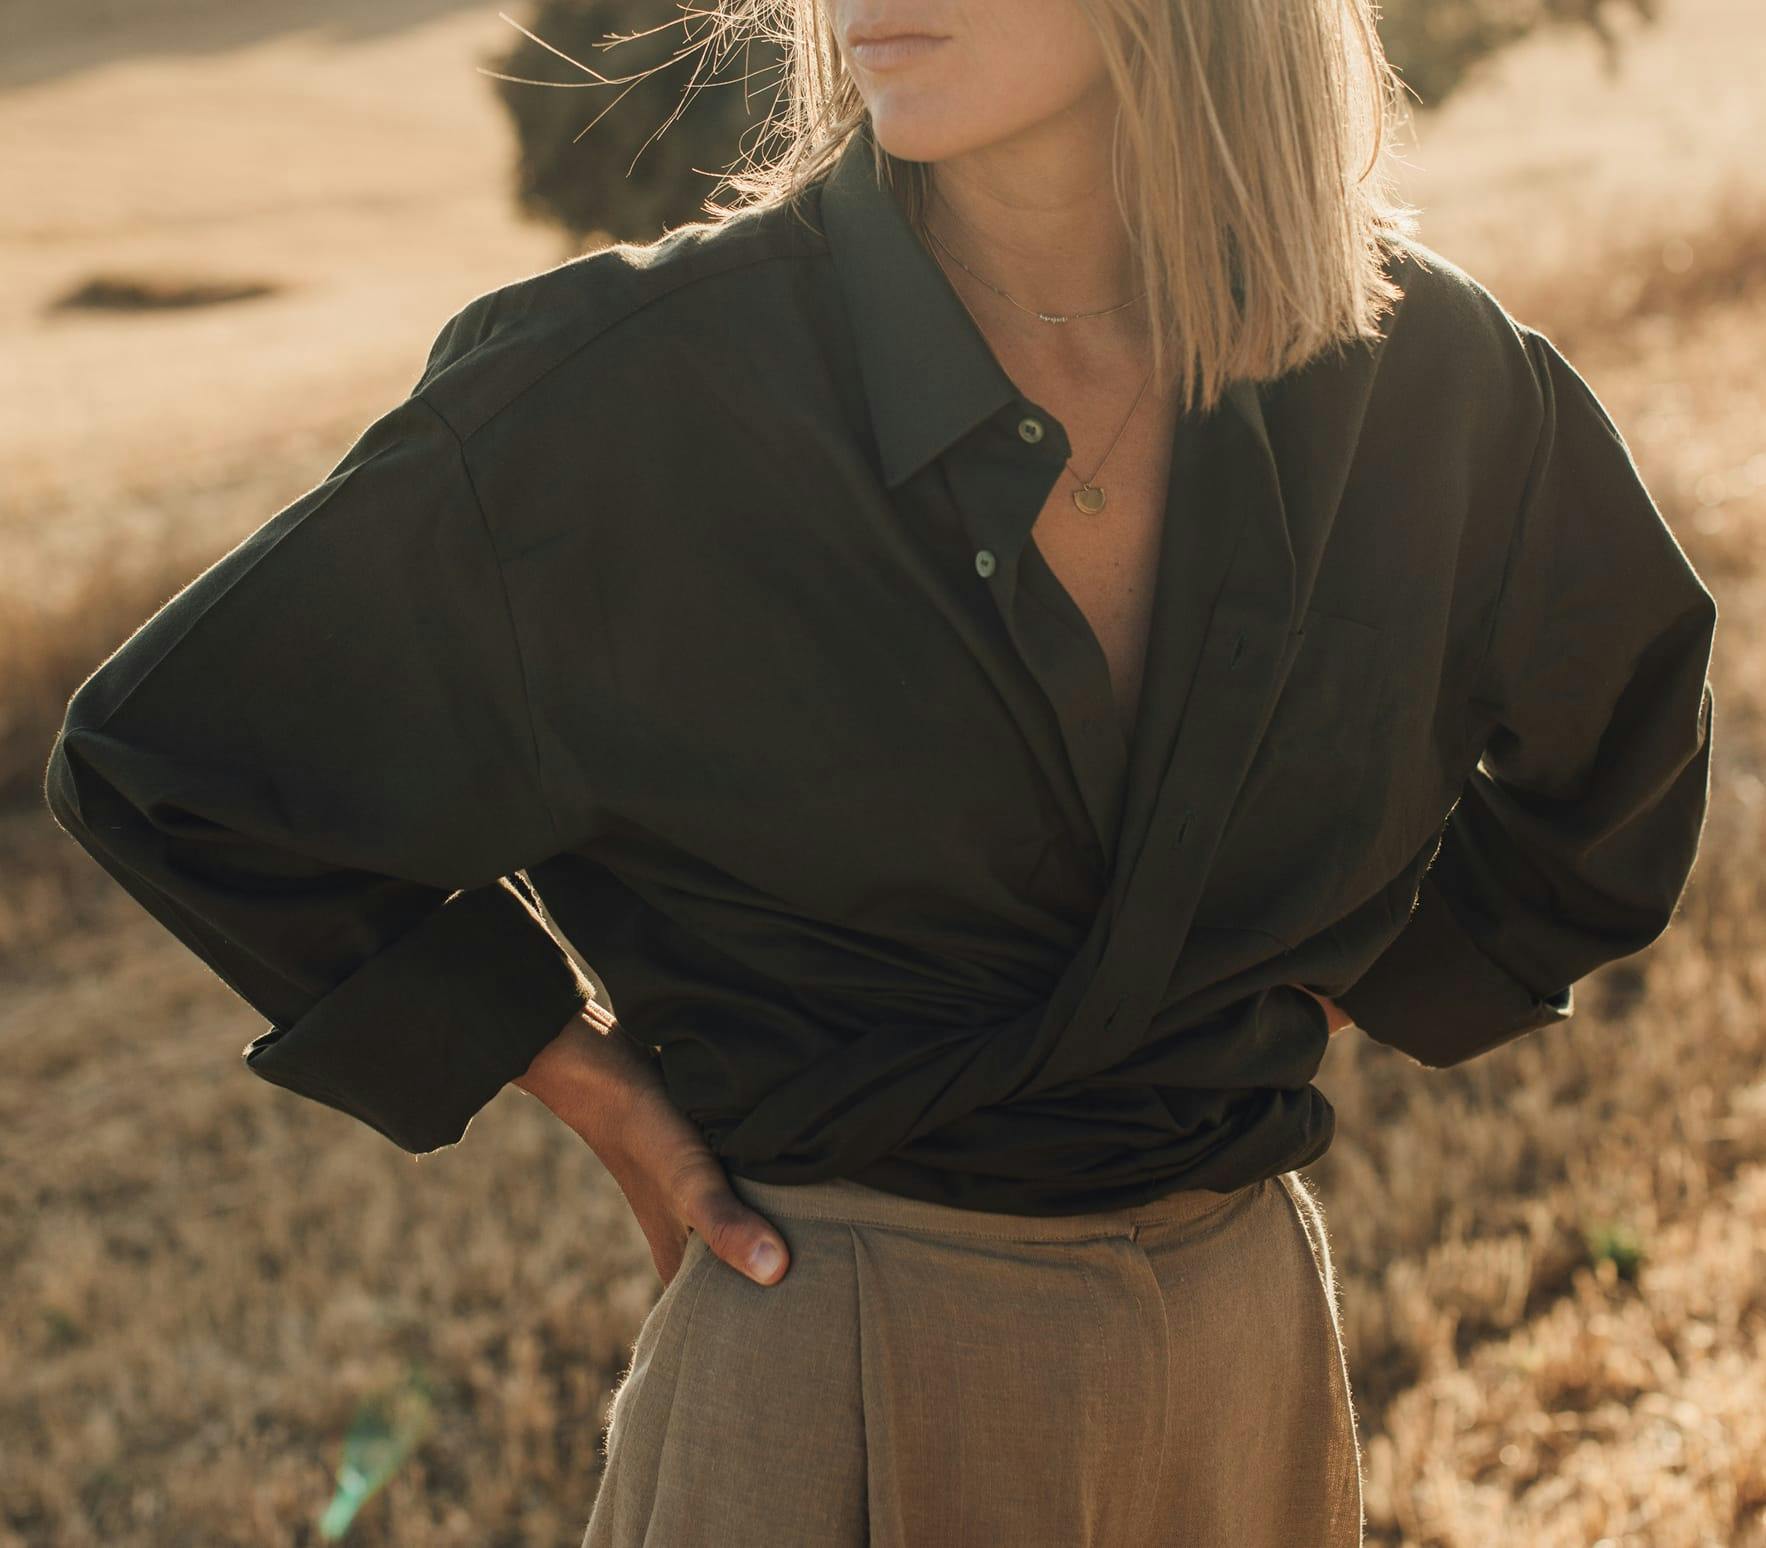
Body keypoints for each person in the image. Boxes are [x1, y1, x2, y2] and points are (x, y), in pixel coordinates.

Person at [43, 0, 1717, 1542]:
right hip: (821, 1368)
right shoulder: (623, 393)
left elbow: (1620, 741)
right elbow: (176, 761)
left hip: (1246, 1376)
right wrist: (574, 1075)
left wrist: (1304, 992)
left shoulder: (1425, 380)